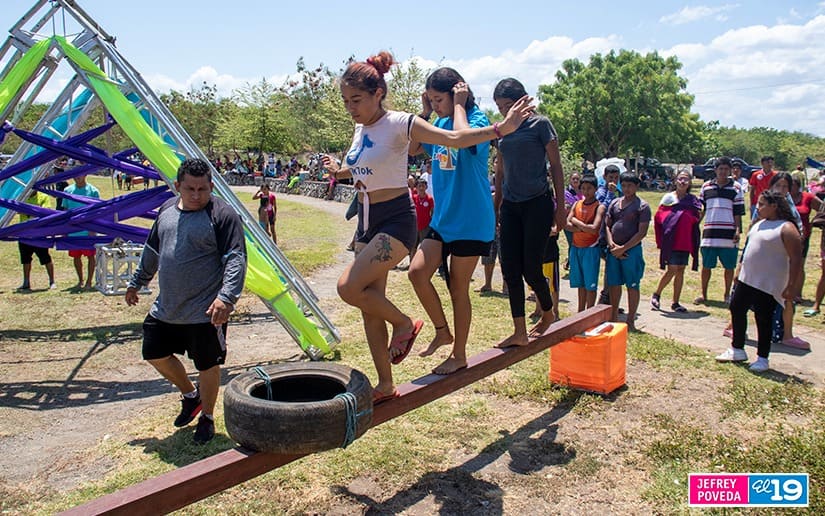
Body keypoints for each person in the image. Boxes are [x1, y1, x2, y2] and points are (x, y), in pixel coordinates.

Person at [321, 52, 533, 401]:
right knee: (375, 299)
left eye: (356, 100)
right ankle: (387, 382)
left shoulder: (409, 122)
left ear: (378, 93)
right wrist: (338, 170)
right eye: (346, 101)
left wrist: (500, 127)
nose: (350, 107)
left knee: (353, 287)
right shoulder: (362, 128)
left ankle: (416, 330)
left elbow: (458, 139)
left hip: (417, 218)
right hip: (383, 219)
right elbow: (378, 161)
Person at [125, 158, 246, 443]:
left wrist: (226, 298)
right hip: (167, 307)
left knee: (208, 365)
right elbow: (153, 250)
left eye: (202, 189)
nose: (196, 195)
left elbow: (236, 259)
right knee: (153, 353)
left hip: (205, 311)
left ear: (211, 187)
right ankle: (191, 396)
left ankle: (208, 417)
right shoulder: (166, 210)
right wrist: (137, 281)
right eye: (190, 189)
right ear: (177, 186)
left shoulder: (223, 215)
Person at [407, 68, 496, 375]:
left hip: (471, 220)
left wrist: (459, 105)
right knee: (417, 273)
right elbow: (412, 148)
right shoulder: (440, 123)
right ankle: (442, 332)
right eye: (431, 99)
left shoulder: (477, 120)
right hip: (443, 220)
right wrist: (425, 113)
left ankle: (459, 355)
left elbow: (462, 140)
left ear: (457, 93)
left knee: (458, 289)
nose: (436, 105)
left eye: (439, 99)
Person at [492, 77, 567, 348]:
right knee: (510, 268)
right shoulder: (502, 130)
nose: (504, 111)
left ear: (523, 101)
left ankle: (548, 312)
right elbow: (500, 170)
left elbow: (556, 166)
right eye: (500, 107)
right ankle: (519, 331)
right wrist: (496, 206)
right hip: (511, 205)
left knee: (531, 269)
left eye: (508, 105)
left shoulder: (541, 124)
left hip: (538, 202)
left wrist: (561, 209)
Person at [716, 190, 802, 373]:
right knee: (736, 308)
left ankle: (763, 358)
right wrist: (739, 270)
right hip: (748, 278)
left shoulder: (787, 228)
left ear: (774, 206)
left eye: (762, 204)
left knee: (763, 317)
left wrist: (791, 286)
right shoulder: (758, 224)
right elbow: (748, 249)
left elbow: (796, 259)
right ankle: (737, 349)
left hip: (769, 282)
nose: (758, 208)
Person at [651, 170, 703, 313]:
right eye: (680, 178)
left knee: (681, 270)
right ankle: (657, 294)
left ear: (690, 182)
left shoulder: (692, 200)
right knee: (672, 269)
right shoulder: (668, 198)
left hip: (685, 240)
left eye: (686, 179)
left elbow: (697, 216)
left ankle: (675, 302)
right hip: (671, 240)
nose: (682, 181)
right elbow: (660, 216)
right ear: (675, 181)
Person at [604, 173, 651, 330]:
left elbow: (641, 232)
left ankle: (630, 320)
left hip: (632, 251)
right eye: (623, 185)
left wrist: (623, 248)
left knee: (632, 284)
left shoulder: (642, 206)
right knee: (614, 284)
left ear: (636, 186)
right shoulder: (614, 203)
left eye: (630, 185)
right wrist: (611, 244)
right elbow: (607, 225)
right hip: (613, 250)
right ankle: (613, 317)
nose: (626, 189)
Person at [696, 157, 744, 305]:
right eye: (720, 169)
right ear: (715, 170)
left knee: (729, 267)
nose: (723, 172)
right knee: (706, 266)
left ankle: (727, 295)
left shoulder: (736, 187)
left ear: (730, 170)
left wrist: (737, 230)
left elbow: (738, 212)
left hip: (728, 233)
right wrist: (695, 224)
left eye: (726, 169)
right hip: (709, 233)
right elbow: (701, 209)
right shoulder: (706, 187)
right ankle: (703, 294)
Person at [566, 174, 605, 312]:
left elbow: (594, 229)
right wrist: (583, 227)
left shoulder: (599, 207)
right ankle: (580, 312)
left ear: (595, 189)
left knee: (590, 285)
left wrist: (576, 222)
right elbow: (566, 224)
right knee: (580, 284)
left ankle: (590, 312)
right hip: (576, 247)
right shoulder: (577, 204)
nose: (586, 191)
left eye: (589, 188)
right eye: (583, 188)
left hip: (591, 249)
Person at [63, 174, 100, 290]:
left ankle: (89, 281)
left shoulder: (93, 191)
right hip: (73, 230)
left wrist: (93, 229)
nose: (77, 177)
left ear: (85, 175)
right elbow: (65, 211)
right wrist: (65, 230)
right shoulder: (67, 191)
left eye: (80, 175)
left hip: (88, 231)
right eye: (75, 175)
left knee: (90, 256)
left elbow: (97, 212)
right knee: (76, 257)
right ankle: (80, 280)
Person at [16, 191, 57, 291]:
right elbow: (17, 210)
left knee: (45, 258)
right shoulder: (22, 197)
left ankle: (52, 281)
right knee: (25, 259)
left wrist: (27, 211)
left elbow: (44, 212)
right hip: (24, 234)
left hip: (39, 234)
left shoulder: (43, 196)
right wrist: (32, 211)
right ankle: (26, 282)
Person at [411, 178, 433, 264]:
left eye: (423, 186)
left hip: (425, 227)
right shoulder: (414, 198)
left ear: (426, 187)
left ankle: (425, 264)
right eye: (419, 186)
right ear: (416, 187)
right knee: (413, 247)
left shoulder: (430, 199)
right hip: (414, 227)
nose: (421, 188)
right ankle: (412, 264)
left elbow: (432, 212)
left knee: (425, 248)